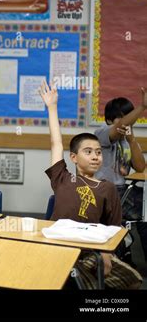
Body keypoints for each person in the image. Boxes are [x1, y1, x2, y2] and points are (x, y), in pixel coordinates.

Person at [39, 80, 142, 289]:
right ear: (74, 158)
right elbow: (56, 143)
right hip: (60, 247)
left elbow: (113, 227)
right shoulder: (63, 178)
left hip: (90, 251)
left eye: (98, 152)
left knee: (134, 281)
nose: (95, 156)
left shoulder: (107, 188)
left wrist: (106, 253)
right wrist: (52, 107)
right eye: (88, 152)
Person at [94, 90, 147, 264]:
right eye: (121, 117)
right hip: (103, 191)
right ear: (109, 120)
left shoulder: (127, 140)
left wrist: (132, 141)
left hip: (123, 192)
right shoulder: (101, 133)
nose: (127, 121)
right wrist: (142, 107)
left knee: (145, 214)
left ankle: (130, 255)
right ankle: (122, 252)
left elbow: (140, 168)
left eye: (129, 117)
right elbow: (118, 128)